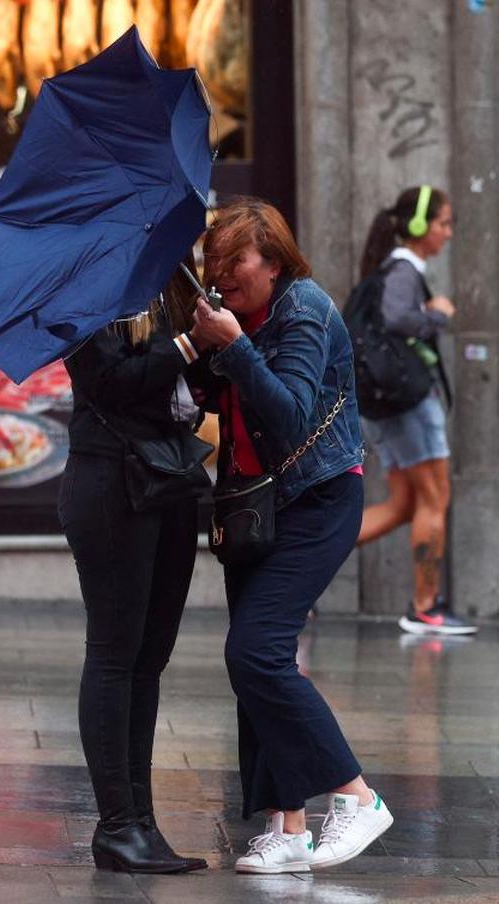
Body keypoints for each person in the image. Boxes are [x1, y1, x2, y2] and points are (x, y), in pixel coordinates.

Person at [188, 198, 392, 874]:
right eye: (214, 265)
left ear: (273, 260)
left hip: (318, 499)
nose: (223, 275)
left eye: (235, 262)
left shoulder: (303, 309)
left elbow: (291, 413)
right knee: (253, 662)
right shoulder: (238, 315)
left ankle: (357, 797)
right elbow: (217, 407)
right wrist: (202, 348)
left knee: (256, 651)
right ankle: (289, 827)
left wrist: (235, 348)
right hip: (254, 504)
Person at [58, 263, 209, 874]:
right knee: (116, 654)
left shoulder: (171, 277)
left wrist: (208, 343)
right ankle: (116, 825)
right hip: (111, 482)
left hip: (168, 478)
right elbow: (110, 383)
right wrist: (190, 344)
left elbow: (182, 379)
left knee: (150, 658)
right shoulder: (84, 283)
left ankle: (141, 822)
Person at [355, 186, 476, 637]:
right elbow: (396, 319)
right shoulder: (405, 269)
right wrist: (438, 314)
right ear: (421, 226)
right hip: (409, 404)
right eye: (444, 223)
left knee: (406, 504)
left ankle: (303, 558)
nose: (447, 233)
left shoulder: (393, 268)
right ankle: (425, 608)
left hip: (390, 405)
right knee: (434, 499)